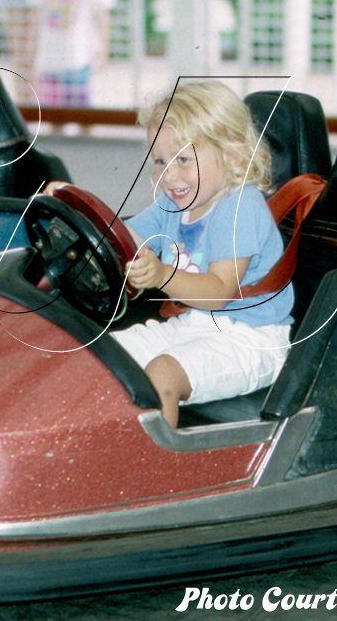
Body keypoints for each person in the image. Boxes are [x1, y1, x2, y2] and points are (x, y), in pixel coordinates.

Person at [113, 81, 294, 428]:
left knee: (163, 374)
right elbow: (125, 236)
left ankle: (154, 469)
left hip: (250, 339)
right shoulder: (172, 204)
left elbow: (217, 293)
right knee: (100, 356)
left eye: (183, 159)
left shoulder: (239, 206)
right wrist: (78, 208)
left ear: (233, 156)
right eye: (160, 161)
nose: (168, 174)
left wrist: (161, 274)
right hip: (195, 325)